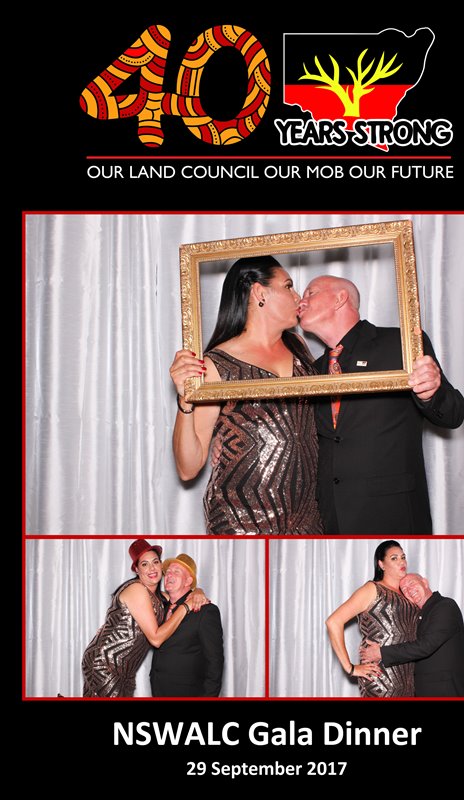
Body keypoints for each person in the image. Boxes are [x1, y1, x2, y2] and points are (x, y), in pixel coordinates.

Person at [298, 275, 464, 534]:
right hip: (332, 519)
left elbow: (454, 414)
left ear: (340, 298)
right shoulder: (313, 370)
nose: (301, 301)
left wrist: (432, 392)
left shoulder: (401, 344)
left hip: (392, 514)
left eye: (311, 293)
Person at [170, 255, 323, 535]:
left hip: (306, 518)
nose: (297, 296)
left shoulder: (298, 346)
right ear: (260, 292)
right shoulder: (216, 364)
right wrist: (185, 401)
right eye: (288, 286)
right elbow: (188, 468)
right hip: (241, 521)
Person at [82, 539, 208, 697]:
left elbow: (183, 593)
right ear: (137, 569)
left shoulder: (160, 597)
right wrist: (185, 607)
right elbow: (156, 639)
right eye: (144, 564)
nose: (152, 568)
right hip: (104, 664)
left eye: (155, 562)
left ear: (161, 565)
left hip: (126, 670)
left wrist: (198, 591)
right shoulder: (137, 589)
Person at [326, 541, 418, 697]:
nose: (401, 562)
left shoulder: (407, 594)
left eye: (403, 557)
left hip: (408, 677)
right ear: (381, 564)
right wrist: (350, 668)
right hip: (380, 679)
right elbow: (333, 622)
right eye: (394, 558)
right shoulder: (372, 589)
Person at [362, 572, 464, 697]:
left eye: (412, 583)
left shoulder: (445, 606)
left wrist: (381, 653)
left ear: (425, 583)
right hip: (424, 690)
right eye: (404, 589)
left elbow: (426, 645)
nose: (409, 590)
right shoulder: (418, 616)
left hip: (447, 691)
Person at [150, 553, 224, 697]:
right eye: (168, 572)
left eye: (176, 572)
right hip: (158, 690)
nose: (169, 575)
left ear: (188, 581)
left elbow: (215, 663)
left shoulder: (206, 611)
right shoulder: (160, 607)